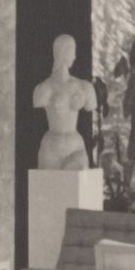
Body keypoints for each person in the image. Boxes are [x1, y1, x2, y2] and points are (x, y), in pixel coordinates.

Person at [33, 34, 95, 171]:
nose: (74, 57)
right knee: (49, 188)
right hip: (52, 147)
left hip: (74, 147)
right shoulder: (45, 88)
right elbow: (37, 101)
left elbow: (91, 104)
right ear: (64, 53)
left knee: (76, 177)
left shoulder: (83, 86)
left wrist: (83, 98)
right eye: (72, 51)